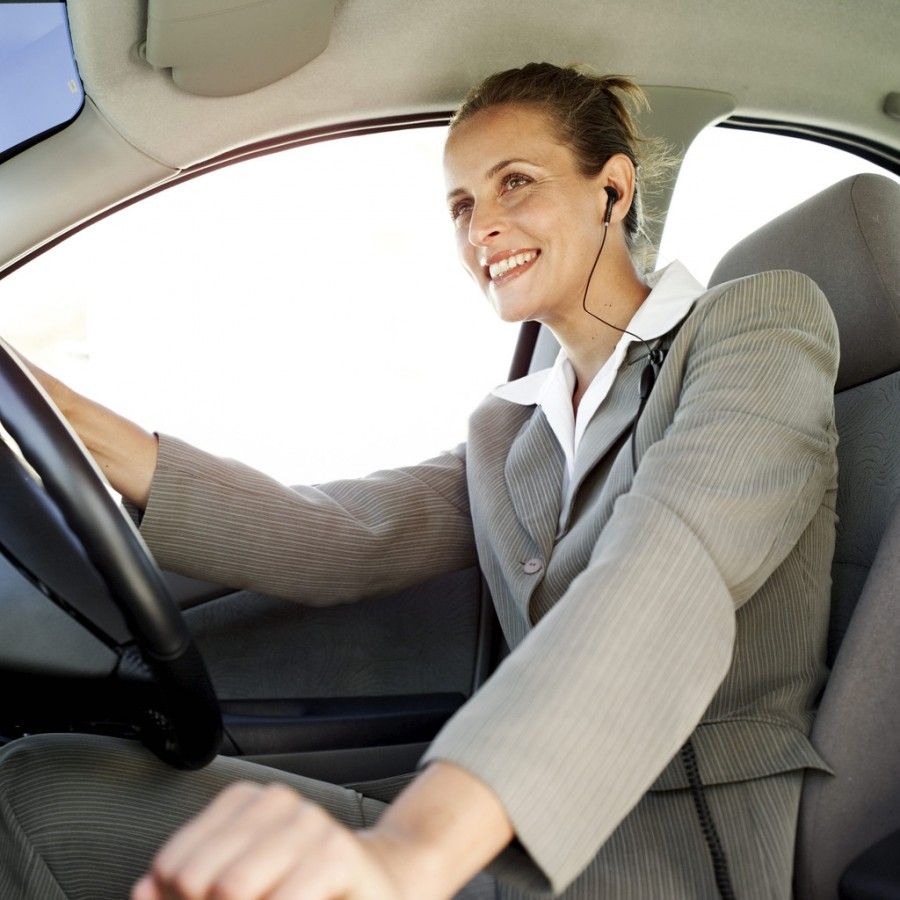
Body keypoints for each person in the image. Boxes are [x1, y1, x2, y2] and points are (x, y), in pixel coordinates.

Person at [0, 62, 839, 900]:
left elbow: (667, 572)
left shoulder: (756, 325)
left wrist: (409, 852)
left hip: (666, 865)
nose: (485, 228)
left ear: (612, 191)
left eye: (517, 183)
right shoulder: (513, 430)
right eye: (463, 206)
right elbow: (335, 538)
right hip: (505, 857)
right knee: (40, 786)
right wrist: (49, 408)